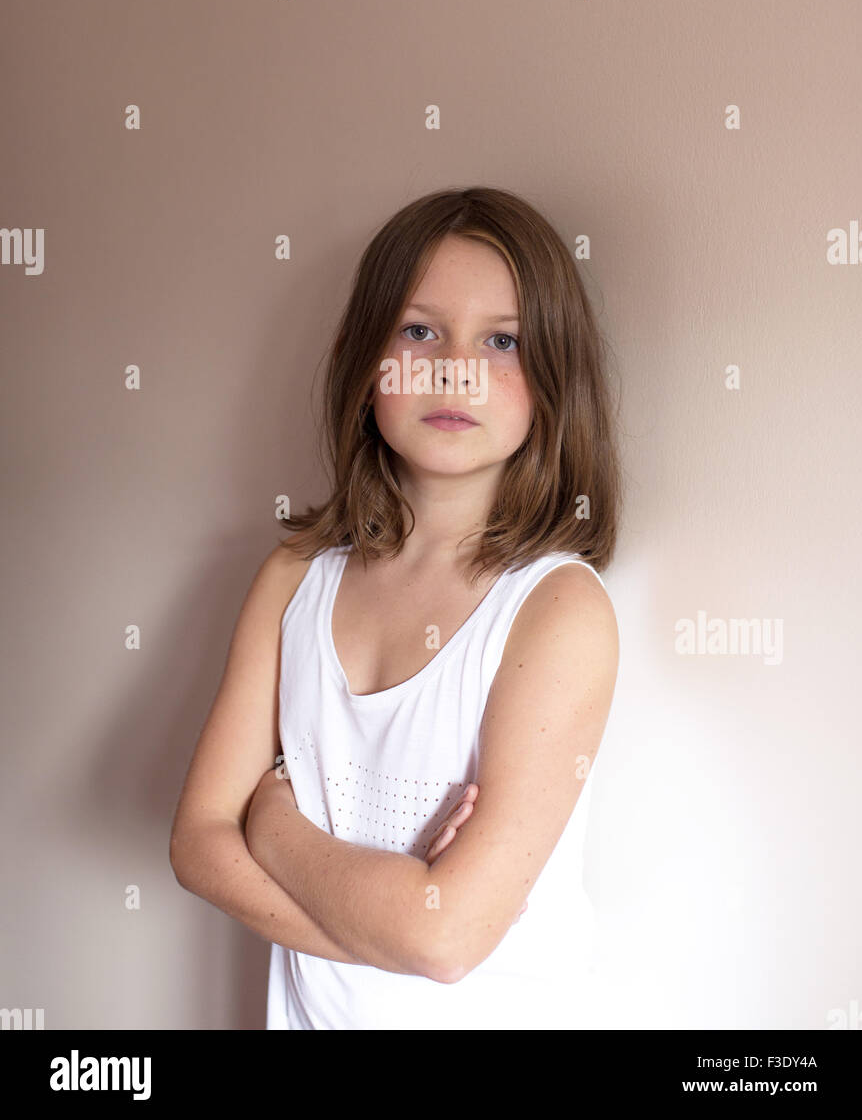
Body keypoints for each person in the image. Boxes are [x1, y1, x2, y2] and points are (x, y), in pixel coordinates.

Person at [170, 185, 622, 1029]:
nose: (453, 368)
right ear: (364, 357)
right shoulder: (294, 576)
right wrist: (390, 924)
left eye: (502, 341)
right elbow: (197, 842)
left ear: (554, 377)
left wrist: (271, 822)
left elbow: (446, 939)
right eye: (420, 331)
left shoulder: (555, 608)